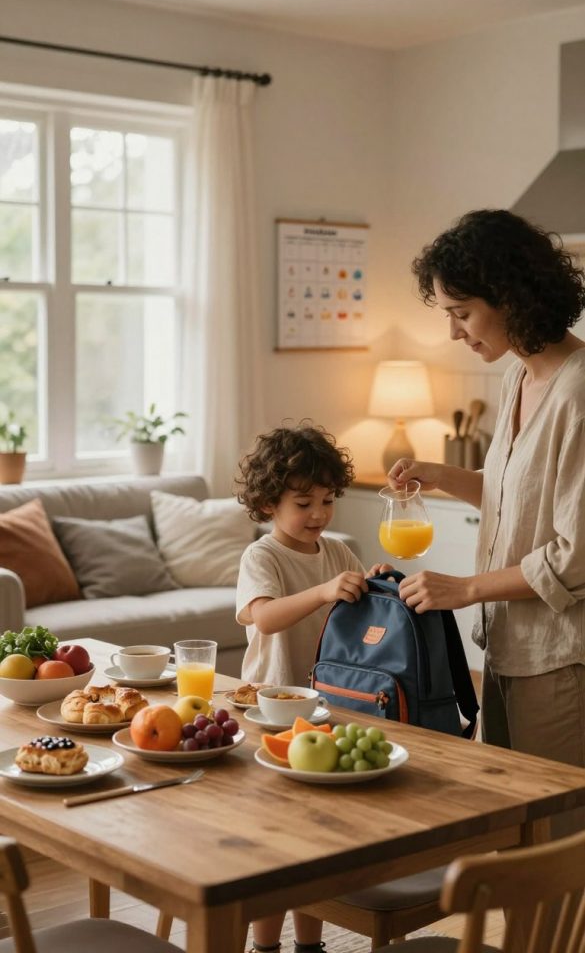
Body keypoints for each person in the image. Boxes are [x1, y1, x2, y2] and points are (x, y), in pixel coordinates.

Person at [388, 209, 585, 818]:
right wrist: (446, 477)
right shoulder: (520, 378)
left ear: (512, 296)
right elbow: (519, 499)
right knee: (513, 833)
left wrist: (467, 587)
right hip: (506, 649)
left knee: (557, 846)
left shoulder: (580, 392)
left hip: (562, 658)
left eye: (462, 311)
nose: (454, 332)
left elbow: (575, 557)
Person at [235, 421, 389, 953]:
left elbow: (358, 614)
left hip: (323, 711)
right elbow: (265, 619)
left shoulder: (339, 552)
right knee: (273, 845)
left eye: (327, 500)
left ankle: (309, 946)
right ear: (267, 504)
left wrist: (376, 585)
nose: (319, 514)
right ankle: (265, 946)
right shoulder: (263, 556)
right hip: (272, 711)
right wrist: (324, 590)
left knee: (312, 845)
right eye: (303, 502)